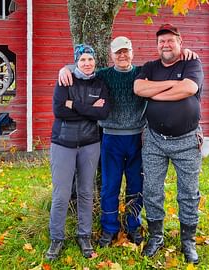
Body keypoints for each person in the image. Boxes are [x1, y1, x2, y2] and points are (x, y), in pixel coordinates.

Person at [58, 37, 199, 248]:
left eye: (126, 52)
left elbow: (170, 65)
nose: (122, 56)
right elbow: (83, 70)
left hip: (137, 138)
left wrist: (187, 52)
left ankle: (133, 225)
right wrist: (65, 68)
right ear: (111, 54)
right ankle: (109, 228)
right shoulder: (103, 75)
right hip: (110, 138)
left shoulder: (142, 73)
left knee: (136, 185)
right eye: (118, 52)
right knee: (109, 185)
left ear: (132, 52)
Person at [133, 24, 204, 264]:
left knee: (188, 193)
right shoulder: (150, 67)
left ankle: (188, 241)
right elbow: (138, 88)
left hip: (187, 140)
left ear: (179, 42)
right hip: (154, 140)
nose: (166, 45)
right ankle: (155, 236)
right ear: (157, 45)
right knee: (152, 189)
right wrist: (172, 85)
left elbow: (189, 88)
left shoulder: (191, 63)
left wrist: (155, 92)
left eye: (170, 41)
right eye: (161, 41)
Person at [46, 44, 110, 260]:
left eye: (90, 59)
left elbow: (103, 112)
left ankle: (84, 235)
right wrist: (89, 108)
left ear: (95, 61)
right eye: (82, 60)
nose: (87, 63)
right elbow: (59, 110)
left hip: (90, 144)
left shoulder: (100, 83)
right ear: (76, 62)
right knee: (61, 194)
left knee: (86, 192)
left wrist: (75, 105)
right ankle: (56, 238)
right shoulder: (65, 79)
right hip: (63, 143)